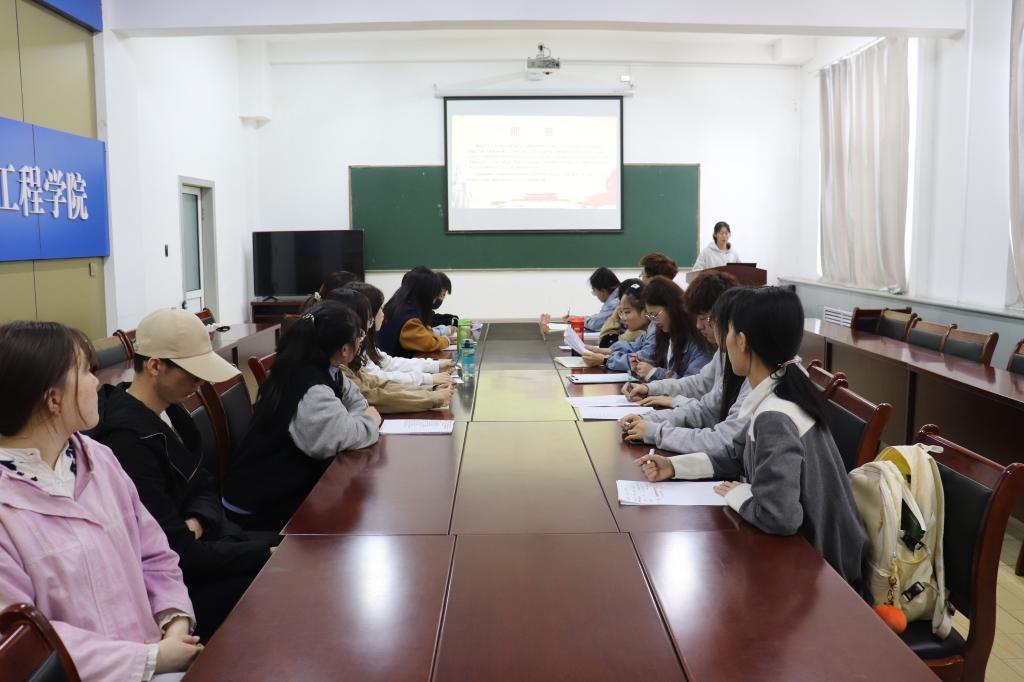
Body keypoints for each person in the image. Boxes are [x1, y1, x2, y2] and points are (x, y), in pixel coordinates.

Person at [0, 321, 201, 681]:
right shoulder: (6, 507)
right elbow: (27, 640)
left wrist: (175, 620)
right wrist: (150, 659)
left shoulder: (99, 458)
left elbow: (154, 554)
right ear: (53, 399)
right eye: (86, 372)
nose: (97, 382)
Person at [635, 287, 868, 592]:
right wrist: (675, 467)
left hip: (825, 572)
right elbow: (736, 455)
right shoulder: (780, 387)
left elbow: (778, 516)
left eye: (728, 332)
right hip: (809, 555)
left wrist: (739, 494)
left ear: (742, 341)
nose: (723, 343)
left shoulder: (776, 414)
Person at [87, 308, 276, 641]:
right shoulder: (127, 440)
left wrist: (198, 520)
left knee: (297, 550)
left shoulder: (172, 411)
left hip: (210, 543)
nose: (199, 384)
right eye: (192, 375)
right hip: (176, 588)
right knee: (281, 573)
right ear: (155, 366)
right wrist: (262, 553)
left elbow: (205, 485)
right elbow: (177, 554)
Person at [223, 301, 381, 531]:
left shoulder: (321, 368)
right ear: (345, 349)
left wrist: (354, 421)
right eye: (359, 336)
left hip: (275, 487)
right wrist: (369, 421)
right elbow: (340, 436)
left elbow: (357, 403)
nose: (361, 340)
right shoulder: (310, 387)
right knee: (354, 522)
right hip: (259, 506)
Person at [619, 286, 751, 455]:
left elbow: (724, 441)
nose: (699, 325)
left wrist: (657, 430)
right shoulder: (726, 354)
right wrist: (647, 417)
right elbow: (705, 407)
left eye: (706, 319)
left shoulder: (755, 383)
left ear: (742, 339)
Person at [323, 288, 453, 413]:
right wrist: (431, 393)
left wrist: (430, 389)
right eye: (379, 309)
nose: (383, 313)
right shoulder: (338, 366)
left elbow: (377, 381)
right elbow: (373, 395)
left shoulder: (346, 358)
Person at [623, 271, 740, 407]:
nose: (698, 325)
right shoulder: (722, 352)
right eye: (650, 317)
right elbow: (699, 383)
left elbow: (711, 409)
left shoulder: (703, 343)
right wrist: (649, 388)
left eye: (703, 318)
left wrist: (658, 381)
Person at [345, 281, 454, 387]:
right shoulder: (407, 316)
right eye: (380, 308)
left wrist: (436, 365)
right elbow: (378, 377)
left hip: (395, 377)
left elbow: (387, 362)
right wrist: (428, 378)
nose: (383, 313)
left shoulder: (364, 340)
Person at [631, 276, 712, 381]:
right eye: (650, 316)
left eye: (655, 315)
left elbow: (692, 385)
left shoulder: (699, 340)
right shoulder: (667, 335)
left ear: (671, 308)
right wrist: (645, 367)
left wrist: (654, 372)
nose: (654, 321)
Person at [378, 266, 452, 358]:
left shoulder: (396, 305)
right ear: (424, 294)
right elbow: (429, 343)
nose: (433, 301)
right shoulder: (409, 319)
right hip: (394, 365)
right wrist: (446, 340)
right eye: (433, 296)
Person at [581, 280, 655, 371]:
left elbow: (643, 359)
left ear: (646, 311)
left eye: (627, 312)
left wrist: (605, 360)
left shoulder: (655, 331)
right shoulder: (649, 330)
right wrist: (601, 351)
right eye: (621, 312)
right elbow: (633, 347)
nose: (623, 318)